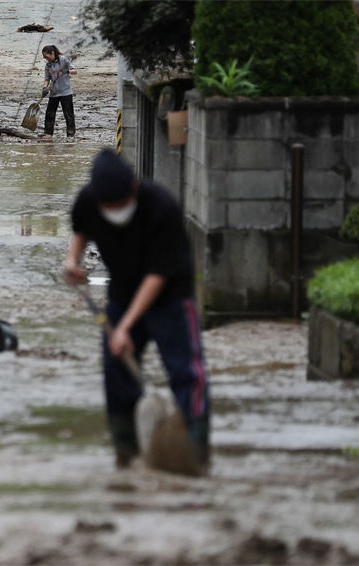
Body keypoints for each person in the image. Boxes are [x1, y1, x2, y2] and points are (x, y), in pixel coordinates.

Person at [63, 148, 210, 470]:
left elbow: (157, 277)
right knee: (115, 367)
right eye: (108, 206)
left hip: (170, 294)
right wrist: (72, 261)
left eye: (119, 204)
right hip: (123, 291)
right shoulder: (89, 200)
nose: (115, 210)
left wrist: (125, 327)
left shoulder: (160, 206)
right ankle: (126, 451)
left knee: (186, 371)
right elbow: (81, 230)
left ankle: (195, 452)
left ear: (133, 189)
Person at [41, 45, 77, 138]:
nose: (46, 59)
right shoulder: (48, 65)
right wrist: (44, 88)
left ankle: (70, 134)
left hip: (66, 92)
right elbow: (47, 78)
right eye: (45, 58)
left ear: (52, 53)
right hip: (53, 93)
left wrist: (66, 71)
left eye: (47, 57)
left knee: (68, 114)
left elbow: (75, 71)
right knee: (49, 114)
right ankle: (48, 134)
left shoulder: (63, 60)